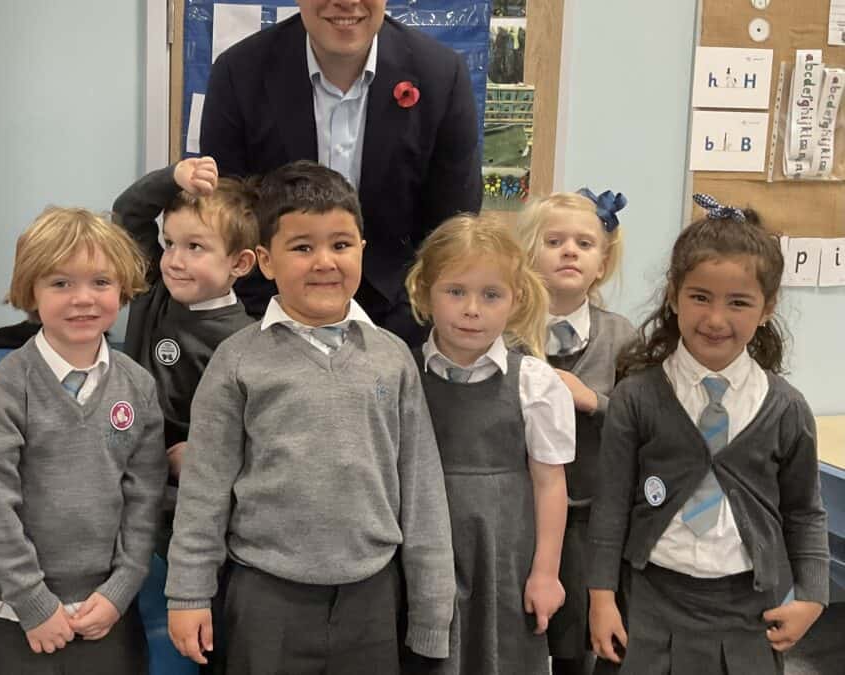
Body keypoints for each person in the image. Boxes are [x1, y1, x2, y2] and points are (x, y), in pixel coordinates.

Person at [164, 161, 455, 673]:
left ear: (362, 250)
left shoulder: (392, 358)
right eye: (302, 247)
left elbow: (422, 490)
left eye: (341, 245)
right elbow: (204, 489)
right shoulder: (237, 361)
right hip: (264, 598)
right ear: (265, 261)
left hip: (371, 598)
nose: (324, 261)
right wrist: (188, 594)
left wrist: (432, 611)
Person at [588, 195, 829, 675]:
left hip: (748, 608)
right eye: (700, 297)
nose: (716, 319)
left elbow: (804, 511)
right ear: (674, 295)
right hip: (649, 601)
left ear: (767, 308)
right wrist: (601, 597)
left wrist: (813, 596)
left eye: (738, 302)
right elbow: (611, 505)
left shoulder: (786, 408)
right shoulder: (637, 398)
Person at [200, 0, 482, 344]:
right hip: (268, 316)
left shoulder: (440, 74)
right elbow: (229, 215)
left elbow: (452, 226)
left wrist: (402, 330)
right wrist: (270, 322)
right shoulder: (239, 72)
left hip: (397, 318)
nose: (347, 2)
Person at [0, 207, 167, 674]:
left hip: (105, 610)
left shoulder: (137, 386)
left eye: (100, 282)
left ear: (122, 288)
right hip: (14, 612)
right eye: (60, 284)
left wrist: (119, 592)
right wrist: (34, 603)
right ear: (31, 291)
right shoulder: (6, 388)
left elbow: (144, 497)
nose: (83, 299)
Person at [402, 213, 574, 675]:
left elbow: (550, 483)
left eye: (490, 294)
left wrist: (545, 573)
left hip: (505, 554)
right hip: (424, 549)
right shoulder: (402, 374)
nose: (472, 309)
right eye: (455, 291)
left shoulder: (534, 383)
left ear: (515, 300)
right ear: (425, 292)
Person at [515, 189, 636, 675]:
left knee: (579, 641)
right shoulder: (507, 335)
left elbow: (645, 428)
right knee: (525, 629)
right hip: (522, 512)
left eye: (584, 244)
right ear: (527, 256)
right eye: (554, 241)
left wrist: (594, 402)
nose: (570, 251)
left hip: (590, 518)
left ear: (602, 263)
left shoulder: (622, 337)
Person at [113, 155, 257, 490]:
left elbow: (254, 432)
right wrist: (174, 177)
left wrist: (203, 454)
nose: (175, 261)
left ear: (240, 262)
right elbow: (128, 213)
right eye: (169, 244)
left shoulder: (247, 341)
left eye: (195, 247)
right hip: (125, 479)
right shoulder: (151, 289)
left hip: (189, 494)